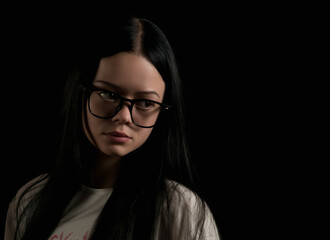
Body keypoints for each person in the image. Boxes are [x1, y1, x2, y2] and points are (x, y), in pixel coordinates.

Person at [4, 16, 221, 240]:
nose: (124, 116)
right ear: (80, 92)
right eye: (108, 94)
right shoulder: (30, 202)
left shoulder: (181, 211)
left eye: (145, 103)